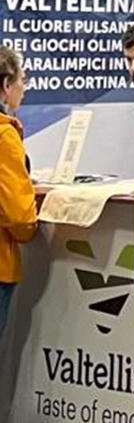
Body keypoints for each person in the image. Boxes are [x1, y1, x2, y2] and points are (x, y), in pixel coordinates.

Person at [0, 47, 39, 340]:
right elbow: (20, 216)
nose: (24, 87)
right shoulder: (4, 136)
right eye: (21, 80)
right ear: (5, 85)